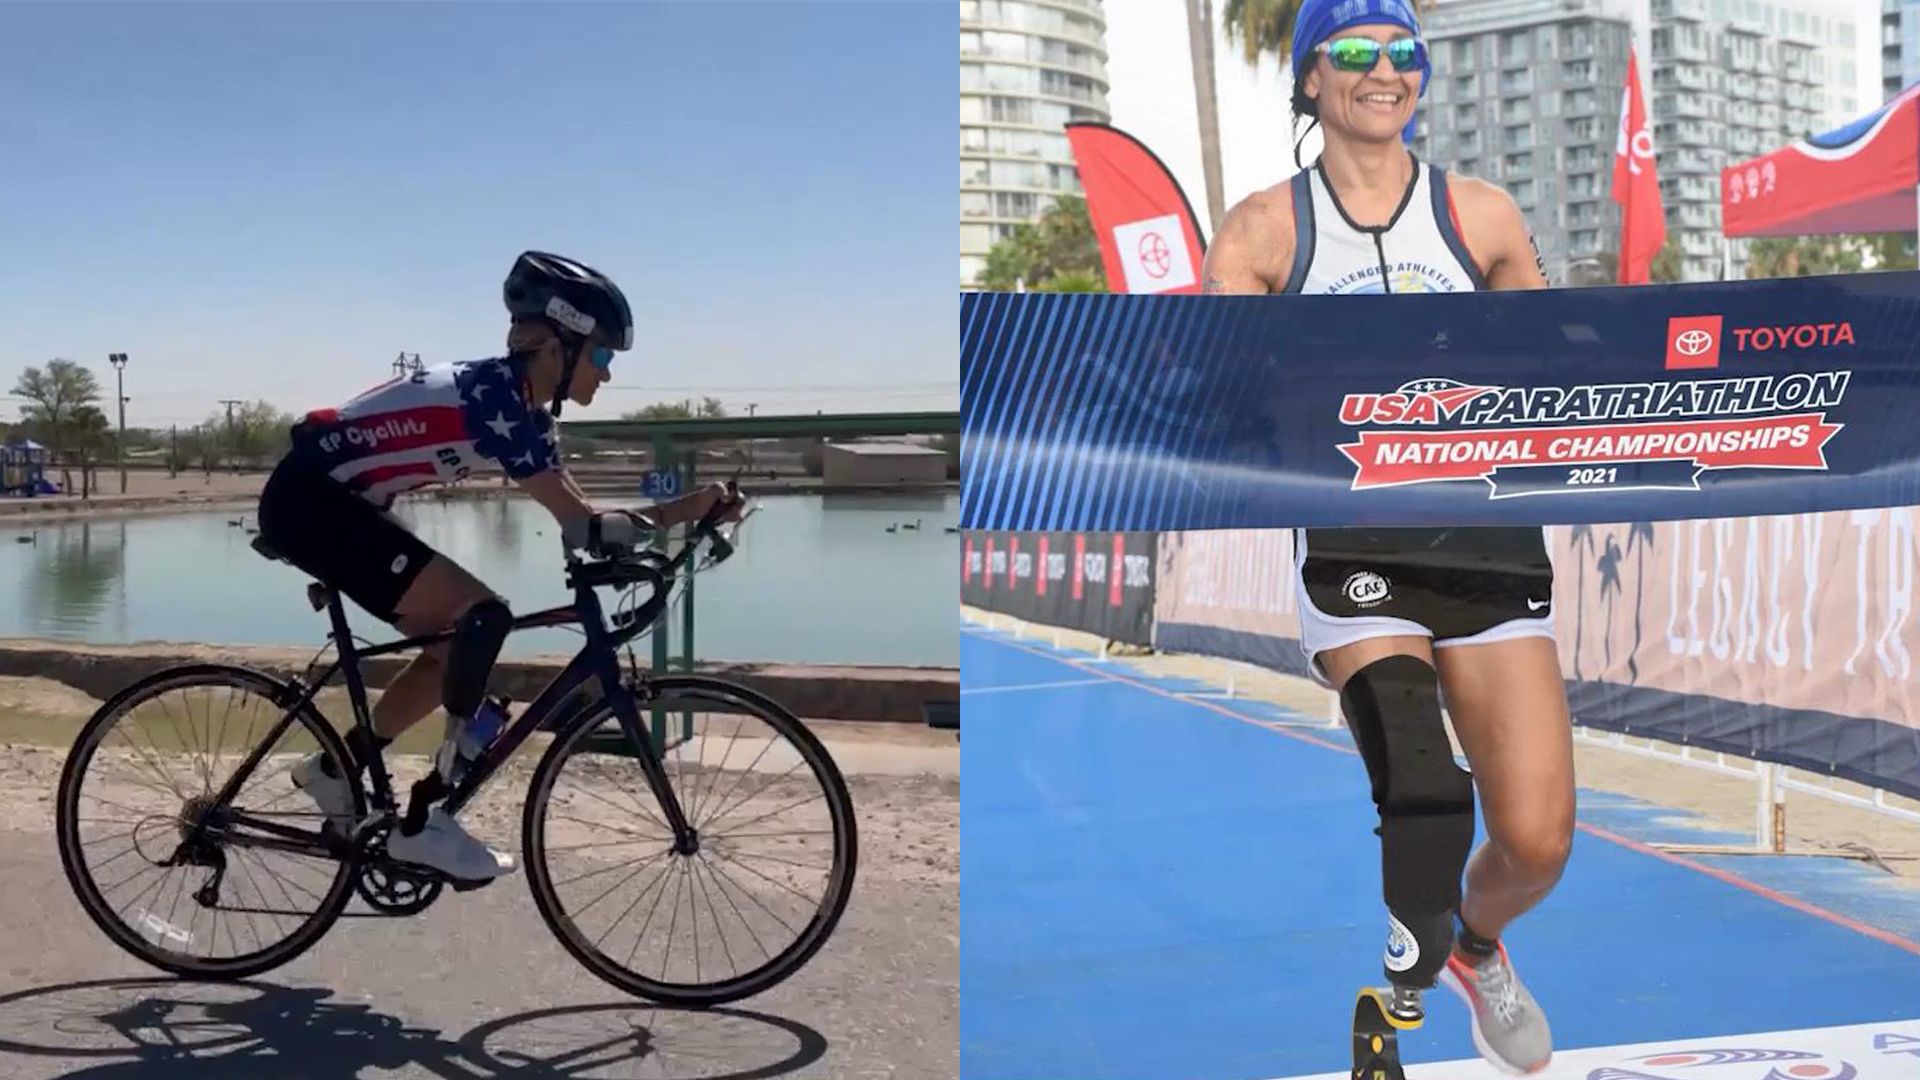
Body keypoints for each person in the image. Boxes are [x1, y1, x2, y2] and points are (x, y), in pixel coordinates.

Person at [1201, 0, 1563, 1072]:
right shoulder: (1264, 229)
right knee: (1423, 787)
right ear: (1311, 80)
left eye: (1401, 51)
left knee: (1537, 841)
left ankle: (1477, 949)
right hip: (1359, 550)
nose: (1381, 70)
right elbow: (1226, 394)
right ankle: (1396, 1007)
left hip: (1489, 544)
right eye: (1352, 52)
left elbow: (1548, 373)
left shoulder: (1483, 217)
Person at [255, 251, 743, 884]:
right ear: (555, 348)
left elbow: (582, 521)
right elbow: (585, 526)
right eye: (600, 357)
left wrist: (684, 514)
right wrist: (686, 510)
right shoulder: (497, 400)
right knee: (481, 615)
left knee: (456, 641)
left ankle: (336, 769)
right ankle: (425, 820)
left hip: (341, 502)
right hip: (312, 503)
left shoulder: (523, 411)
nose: (607, 374)